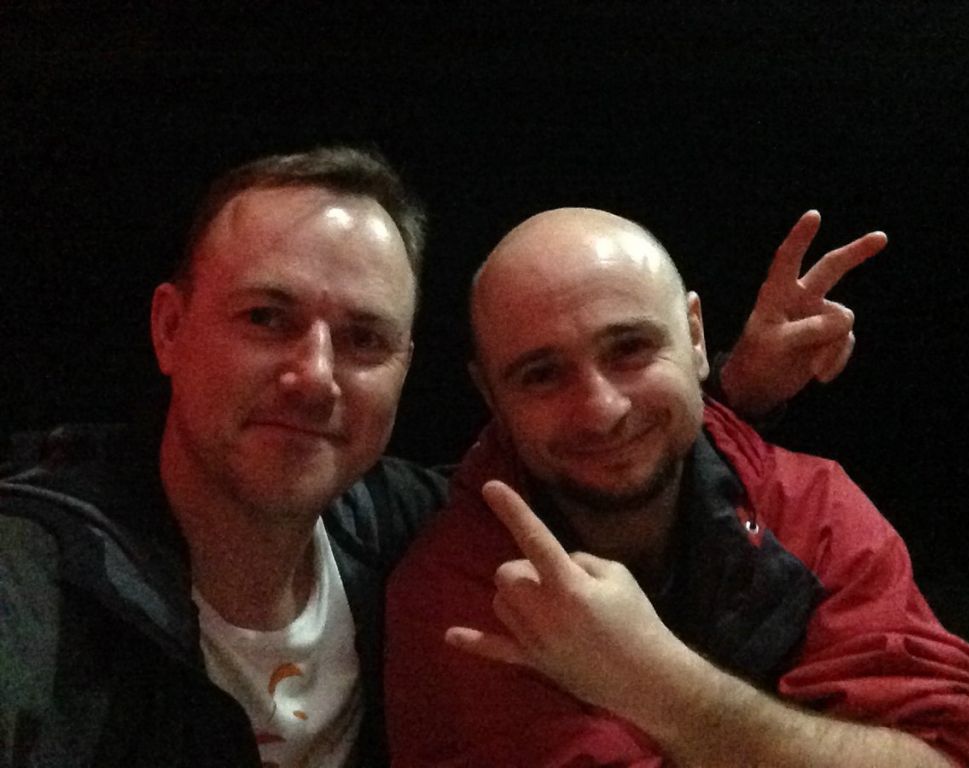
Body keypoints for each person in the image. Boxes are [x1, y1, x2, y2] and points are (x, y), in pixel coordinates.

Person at [0, 145, 876, 768]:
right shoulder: (33, 579)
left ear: (406, 368)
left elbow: (593, 451)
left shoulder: (408, 527)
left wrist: (721, 387)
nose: (314, 376)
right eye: (266, 318)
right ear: (168, 329)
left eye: (364, 338)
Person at [384, 208, 969, 766]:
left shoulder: (811, 503)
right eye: (541, 375)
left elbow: (945, 755)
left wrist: (660, 683)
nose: (602, 411)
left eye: (630, 348)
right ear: (491, 396)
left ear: (696, 338)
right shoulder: (457, 591)